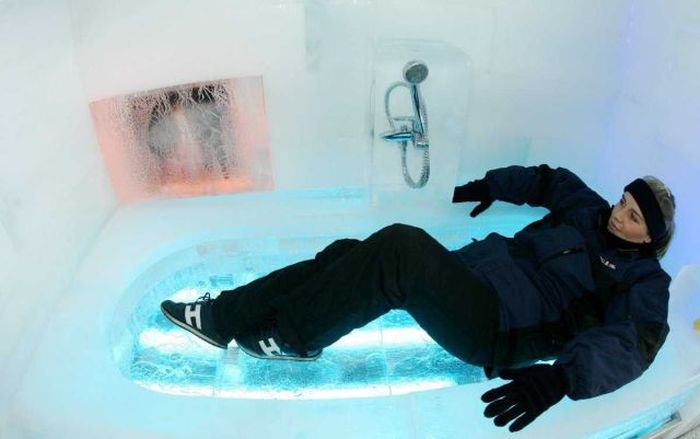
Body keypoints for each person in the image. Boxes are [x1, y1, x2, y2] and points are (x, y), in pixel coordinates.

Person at [160, 164, 676, 432]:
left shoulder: (644, 282)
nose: (618, 214)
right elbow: (547, 181)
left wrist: (563, 378)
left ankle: (294, 336)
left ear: (652, 238)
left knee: (399, 249)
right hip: (471, 278)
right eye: (622, 201)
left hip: (498, 329)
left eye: (633, 217)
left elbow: (636, 345)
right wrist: (487, 186)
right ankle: (226, 315)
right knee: (348, 253)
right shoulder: (588, 210)